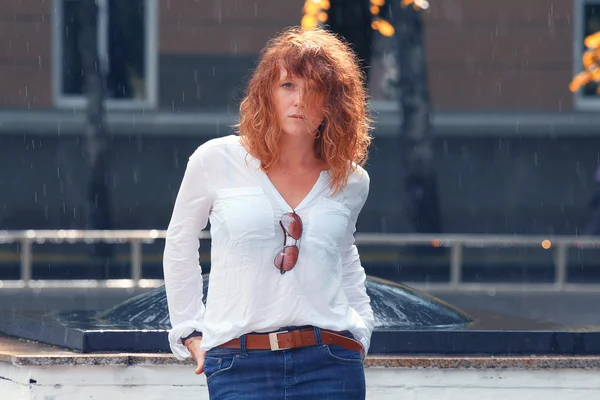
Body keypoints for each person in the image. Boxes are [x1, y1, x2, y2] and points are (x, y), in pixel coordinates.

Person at [163, 26, 374, 399]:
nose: (299, 101)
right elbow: (181, 243)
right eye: (288, 86)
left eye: (315, 90)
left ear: (333, 103)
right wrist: (190, 330)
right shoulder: (216, 160)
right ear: (267, 93)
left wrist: (361, 332)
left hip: (331, 363)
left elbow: (343, 255)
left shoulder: (352, 180)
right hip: (238, 364)